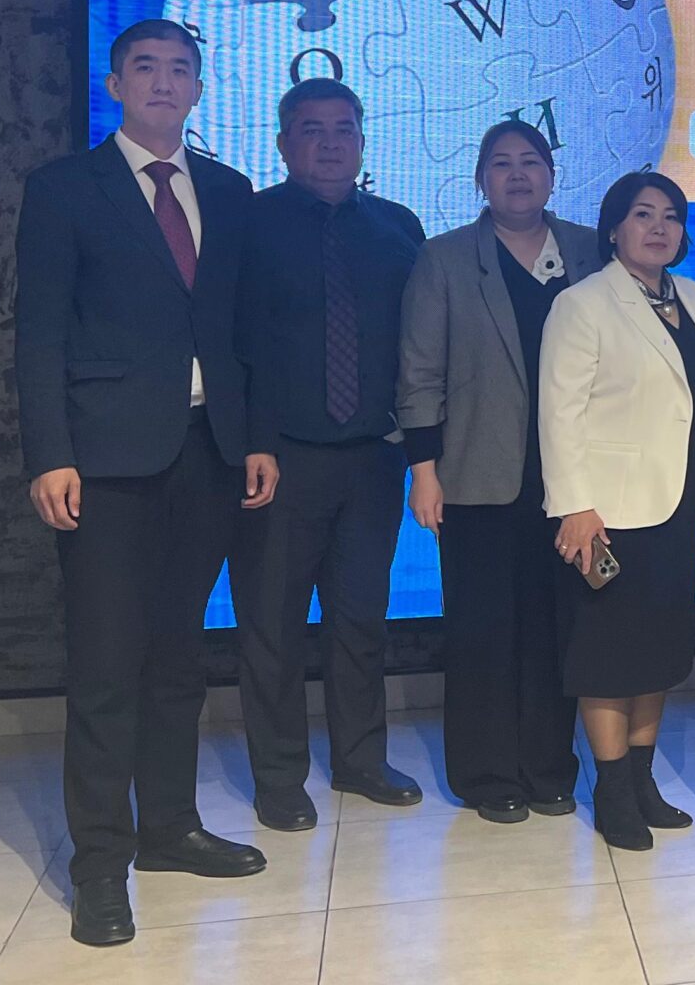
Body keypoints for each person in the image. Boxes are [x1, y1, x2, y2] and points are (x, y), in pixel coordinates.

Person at [14, 18, 278, 948]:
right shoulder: (64, 190)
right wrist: (49, 452)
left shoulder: (229, 191)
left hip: (209, 455)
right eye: (146, 68)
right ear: (117, 83)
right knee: (105, 666)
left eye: (180, 70)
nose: (164, 82)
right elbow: (39, 331)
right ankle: (100, 866)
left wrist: (256, 438)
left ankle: (168, 828)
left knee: (177, 659)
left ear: (199, 88)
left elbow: (242, 328)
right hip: (103, 464)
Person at [231, 79, 426, 833]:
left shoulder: (398, 228)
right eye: (312, 129)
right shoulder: (249, 224)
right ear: (283, 143)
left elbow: (420, 347)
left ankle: (361, 760)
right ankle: (279, 777)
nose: (330, 142)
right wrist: (253, 441)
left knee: (360, 618)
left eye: (344, 128)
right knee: (272, 625)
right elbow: (233, 343)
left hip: (372, 458)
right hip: (279, 459)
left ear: (363, 142)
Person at [398, 121, 602, 824]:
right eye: (502, 164)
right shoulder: (445, 258)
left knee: (556, 626)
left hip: (573, 479)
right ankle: (488, 775)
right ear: (481, 179)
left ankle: (549, 769)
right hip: (476, 474)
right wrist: (424, 471)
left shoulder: (589, 250)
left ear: (552, 174)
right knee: (484, 630)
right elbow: (419, 373)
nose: (518, 175)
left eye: (531, 162)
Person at [542, 172, 695, 850]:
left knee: (658, 651)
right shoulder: (582, 304)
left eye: (671, 216)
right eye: (643, 214)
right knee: (606, 656)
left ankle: (645, 781)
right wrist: (574, 507)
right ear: (614, 228)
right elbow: (559, 413)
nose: (659, 227)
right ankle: (613, 791)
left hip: (678, 506)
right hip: (608, 512)